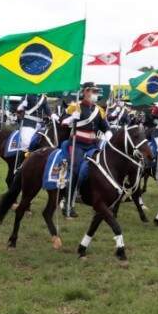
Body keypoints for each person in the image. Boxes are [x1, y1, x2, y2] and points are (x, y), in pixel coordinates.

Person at [60, 82, 113, 217]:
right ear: (85, 92)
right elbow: (63, 122)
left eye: (96, 92)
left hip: (93, 145)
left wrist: (108, 136)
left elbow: (106, 128)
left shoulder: (99, 110)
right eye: (93, 91)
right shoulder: (75, 107)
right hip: (77, 144)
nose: (95, 94)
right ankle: (68, 203)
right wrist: (72, 117)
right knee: (76, 170)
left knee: (101, 168)